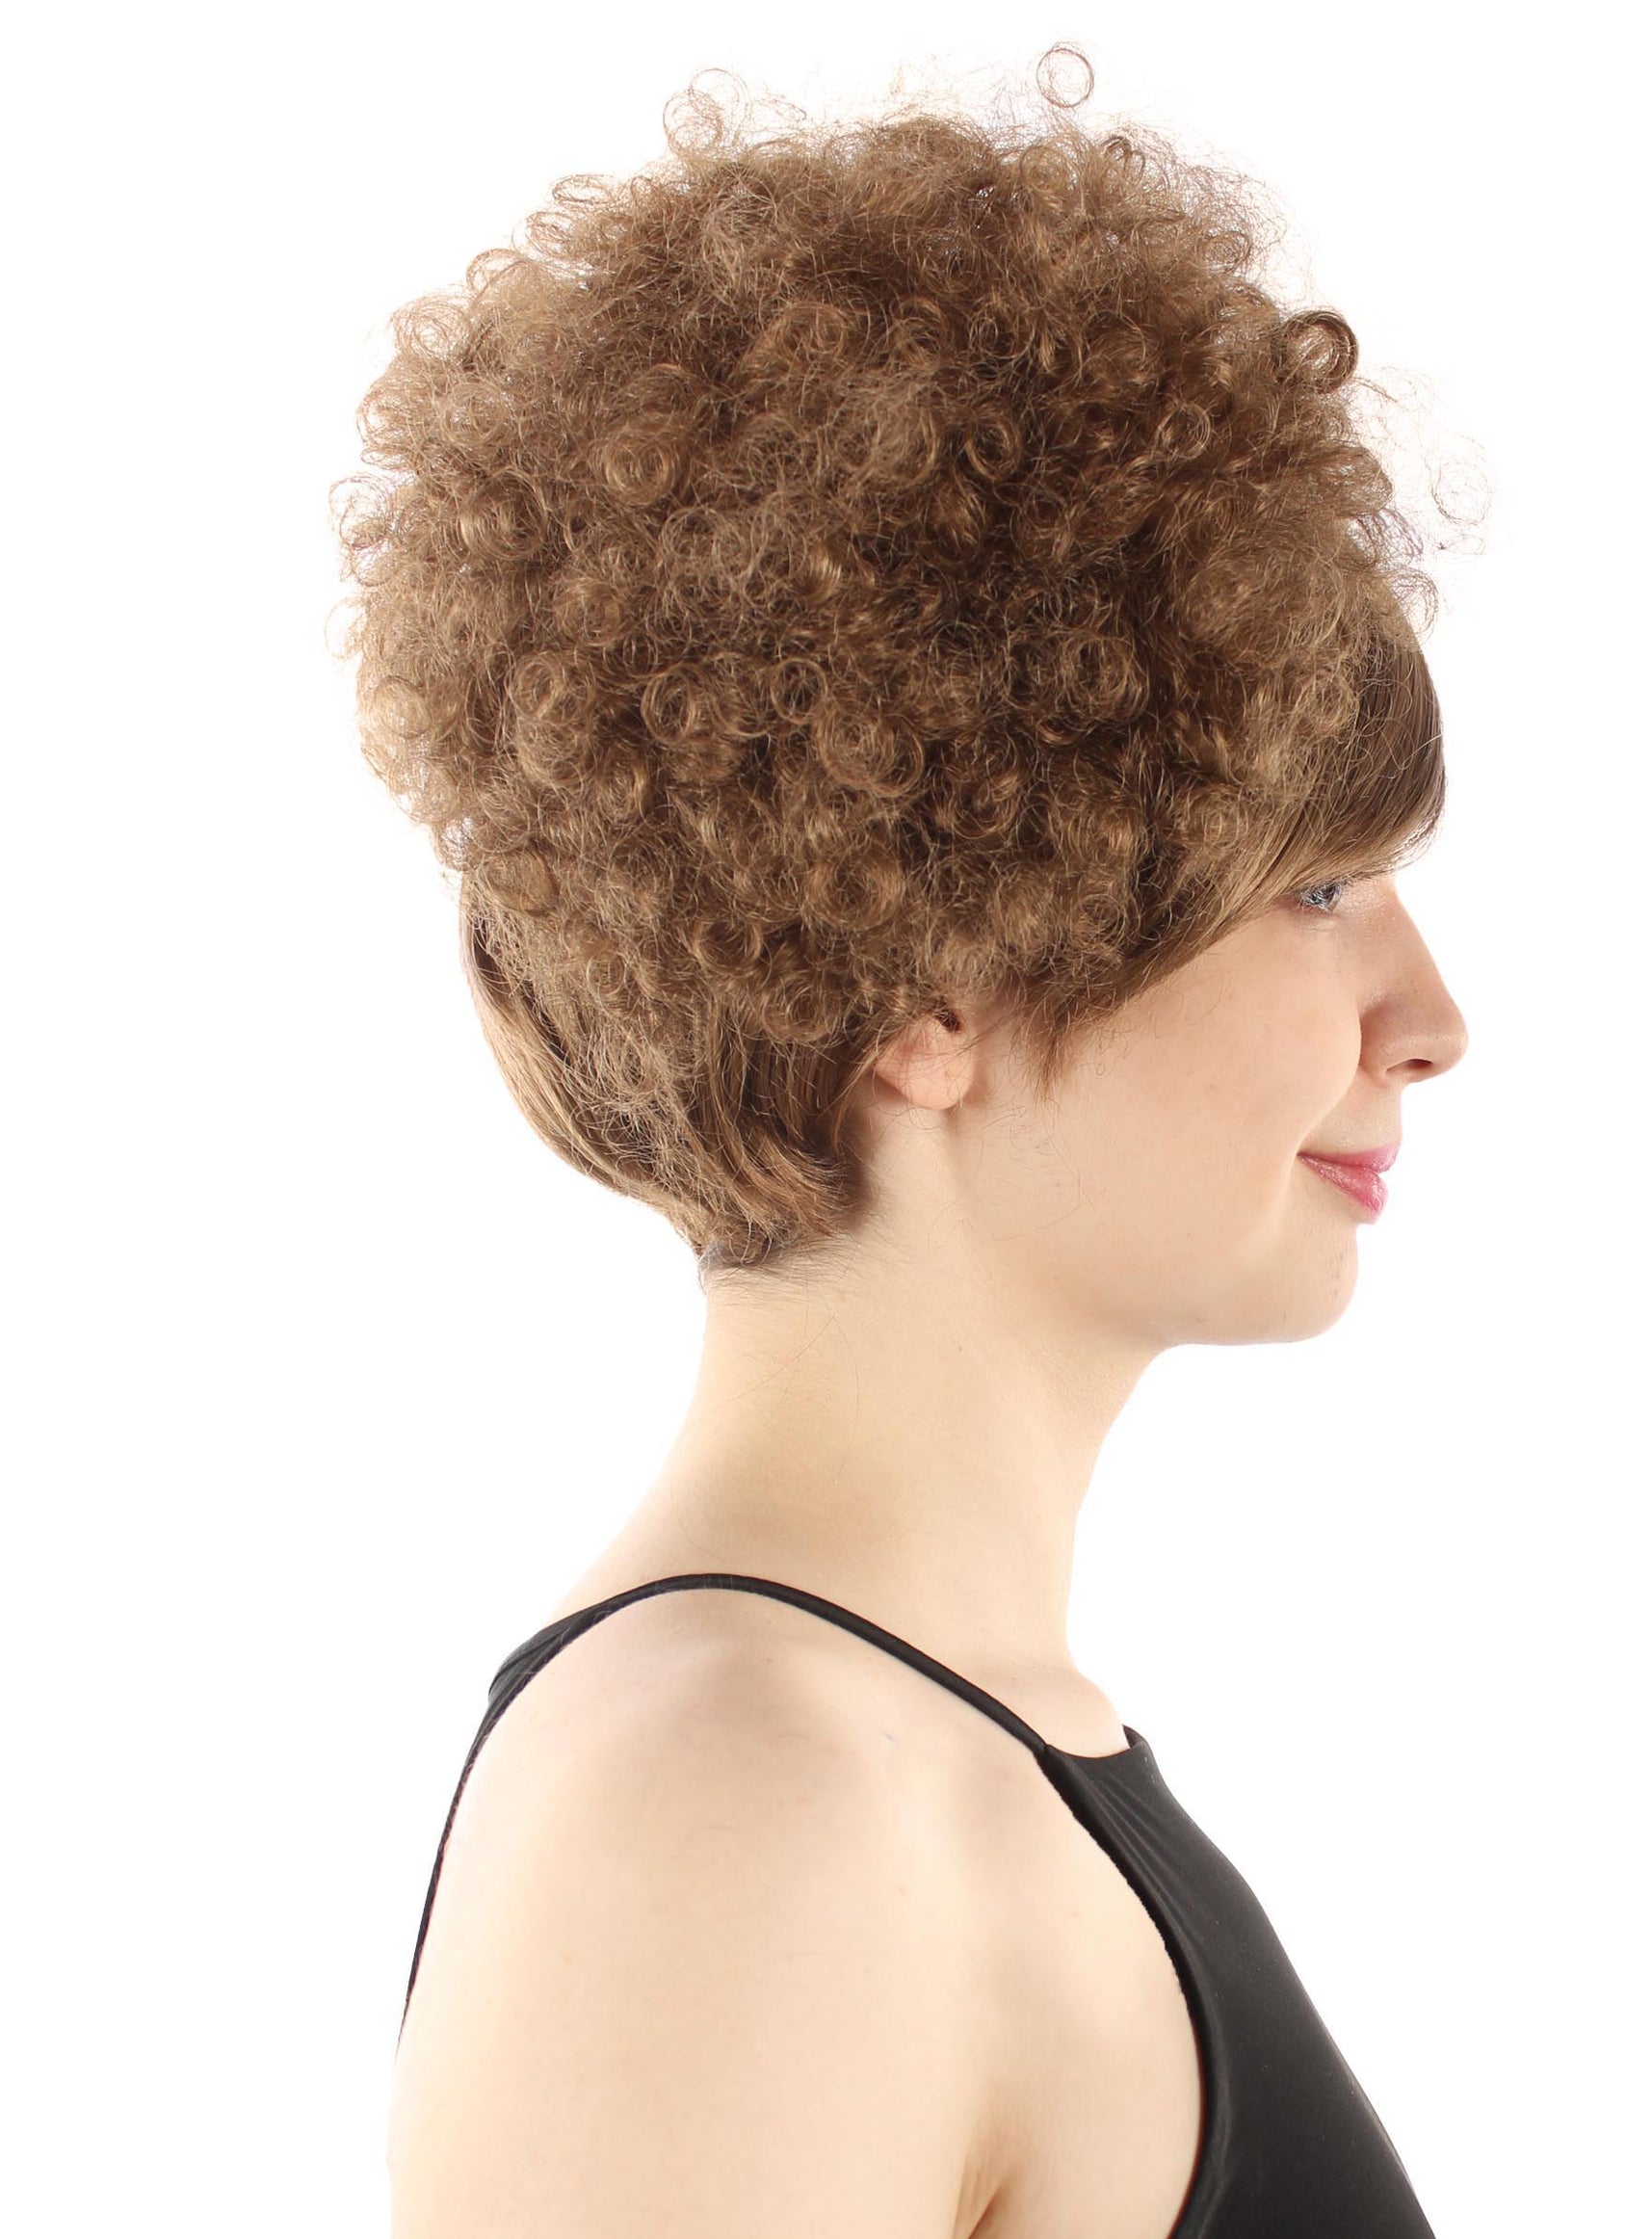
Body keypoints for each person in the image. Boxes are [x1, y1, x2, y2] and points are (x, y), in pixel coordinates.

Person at [333, 47, 1469, 2239]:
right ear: (933, 986)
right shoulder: (732, 1802)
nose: (1428, 1023)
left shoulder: (915, 1749)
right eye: (1320, 888)